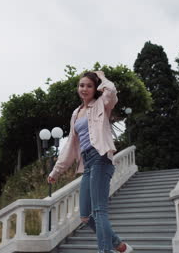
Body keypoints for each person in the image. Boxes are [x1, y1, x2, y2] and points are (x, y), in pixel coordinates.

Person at [47, 71, 133, 253]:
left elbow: (111, 91)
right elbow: (70, 145)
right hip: (86, 163)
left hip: (100, 158)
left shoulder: (102, 104)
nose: (84, 89)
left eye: (89, 86)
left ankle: (105, 250)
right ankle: (118, 244)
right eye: (81, 85)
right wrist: (56, 171)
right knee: (85, 215)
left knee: (99, 210)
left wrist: (101, 77)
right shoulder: (76, 113)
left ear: (95, 89)